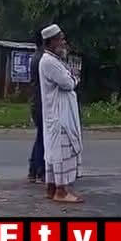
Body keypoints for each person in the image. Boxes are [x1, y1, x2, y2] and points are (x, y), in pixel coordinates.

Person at [38, 24, 83, 203]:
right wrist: (75, 77)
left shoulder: (53, 60)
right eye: (60, 39)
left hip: (56, 113)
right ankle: (61, 191)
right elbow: (68, 83)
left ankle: (51, 188)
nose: (64, 42)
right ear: (51, 42)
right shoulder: (49, 62)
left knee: (53, 152)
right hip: (59, 115)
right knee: (61, 153)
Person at [27, 31, 45, 183]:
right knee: (44, 138)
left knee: (41, 136)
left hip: (36, 102)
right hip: (42, 103)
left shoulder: (36, 57)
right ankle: (40, 170)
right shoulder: (43, 59)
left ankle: (33, 169)